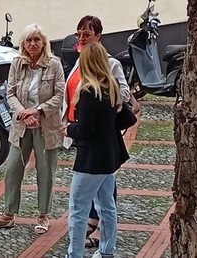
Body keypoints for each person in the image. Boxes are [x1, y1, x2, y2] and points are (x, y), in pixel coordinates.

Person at [65, 14, 139, 249]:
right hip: (107, 151)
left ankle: (75, 253)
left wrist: (69, 129)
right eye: (78, 34)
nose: (80, 39)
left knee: (78, 209)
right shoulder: (106, 84)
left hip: (92, 154)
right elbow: (126, 117)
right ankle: (107, 250)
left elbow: (86, 129)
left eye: (86, 34)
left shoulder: (92, 89)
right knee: (106, 205)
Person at [0, 24, 64, 234]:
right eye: (29, 40)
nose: (33, 44)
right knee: (12, 169)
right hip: (22, 125)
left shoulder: (54, 65)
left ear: (44, 43)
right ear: (23, 44)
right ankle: (8, 214)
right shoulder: (17, 63)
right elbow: (10, 93)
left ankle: (43, 215)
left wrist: (37, 111)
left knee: (45, 172)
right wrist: (23, 114)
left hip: (46, 125)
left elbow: (59, 96)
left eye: (37, 39)